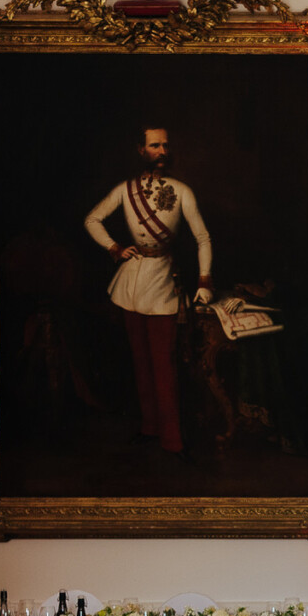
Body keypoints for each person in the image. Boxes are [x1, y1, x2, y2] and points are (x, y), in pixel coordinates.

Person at [83, 127, 213, 454]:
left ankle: (172, 439)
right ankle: (150, 427)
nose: (162, 151)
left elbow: (203, 239)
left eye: (165, 145)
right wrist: (114, 247)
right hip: (130, 285)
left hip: (162, 284)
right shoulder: (125, 191)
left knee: (164, 365)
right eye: (155, 145)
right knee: (140, 362)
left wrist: (204, 280)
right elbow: (92, 220)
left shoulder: (182, 191)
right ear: (141, 150)